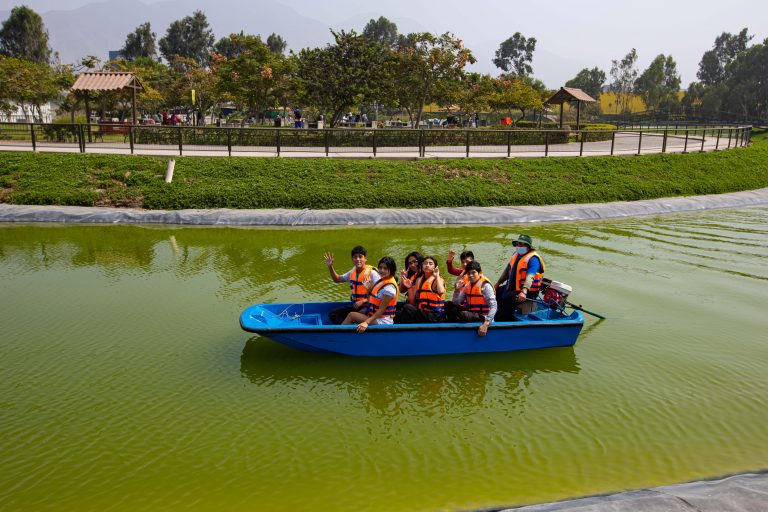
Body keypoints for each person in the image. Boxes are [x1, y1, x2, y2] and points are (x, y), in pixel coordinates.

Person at [494, 234, 546, 321]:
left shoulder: (533, 259)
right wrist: (497, 283)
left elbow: (531, 276)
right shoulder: (515, 255)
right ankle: (494, 315)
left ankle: (504, 320)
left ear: (528, 247)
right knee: (497, 293)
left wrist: (524, 291)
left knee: (508, 298)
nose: (518, 246)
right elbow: (507, 270)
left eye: (522, 245)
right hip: (513, 287)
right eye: (518, 244)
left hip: (527, 292)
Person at [324, 246, 380, 324]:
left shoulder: (372, 273)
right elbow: (337, 279)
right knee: (333, 314)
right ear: (352, 259)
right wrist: (330, 267)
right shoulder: (352, 272)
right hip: (357, 305)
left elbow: (380, 294)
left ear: (365, 259)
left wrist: (364, 301)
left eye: (360, 257)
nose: (357, 259)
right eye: (355, 257)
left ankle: (346, 329)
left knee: (354, 314)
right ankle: (348, 327)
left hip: (369, 307)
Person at [343, 257, 398, 332]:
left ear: (391, 270)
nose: (382, 270)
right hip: (375, 316)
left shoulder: (389, 288)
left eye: (385, 268)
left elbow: (381, 310)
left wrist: (366, 322)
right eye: (380, 267)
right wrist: (369, 290)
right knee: (358, 313)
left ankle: (336, 336)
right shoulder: (382, 281)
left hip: (383, 321)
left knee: (351, 315)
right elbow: (371, 300)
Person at [448, 260, 497, 336]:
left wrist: (486, 324)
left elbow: (494, 306)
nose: (471, 275)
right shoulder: (468, 285)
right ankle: (449, 329)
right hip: (472, 315)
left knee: (463, 314)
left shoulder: (485, 286)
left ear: (479, 273)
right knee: (448, 305)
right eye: (469, 273)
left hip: (484, 318)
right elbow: (457, 302)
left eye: (473, 272)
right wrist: (457, 290)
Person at [395, 256, 446, 324]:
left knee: (408, 308)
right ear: (422, 266)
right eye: (425, 263)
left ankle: (407, 331)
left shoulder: (438, 280)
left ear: (434, 267)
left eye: (430, 264)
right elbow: (414, 301)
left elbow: (441, 291)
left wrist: (436, 276)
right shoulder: (419, 280)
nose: (427, 265)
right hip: (423, 313)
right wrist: (410, 288)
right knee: (397, 314)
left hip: (435, 316)